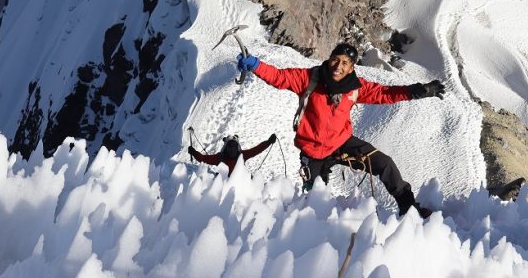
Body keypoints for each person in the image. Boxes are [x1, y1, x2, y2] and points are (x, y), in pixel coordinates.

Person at [236, 42, 445, 218]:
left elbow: (384, 93)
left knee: (384, 164)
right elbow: (279, 77)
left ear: (352, 67)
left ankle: (409, 208)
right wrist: (255, 65)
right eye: (336, 59)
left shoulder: (354, 87)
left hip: (341, 143)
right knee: (315, 201)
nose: (338, 66)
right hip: (313, 150)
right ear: (329, 59)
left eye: (345, 62)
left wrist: (415, 92)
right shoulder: (310, 79)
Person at [188, 133, 277, 175]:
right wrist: (194, 153)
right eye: (230, 146)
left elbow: (256, 150)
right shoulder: (221, 157)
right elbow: (204, 159)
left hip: (237, 185)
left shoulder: (239, 155)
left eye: (234, 146)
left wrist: (268, 142)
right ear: (226, 147)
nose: (232, 149)